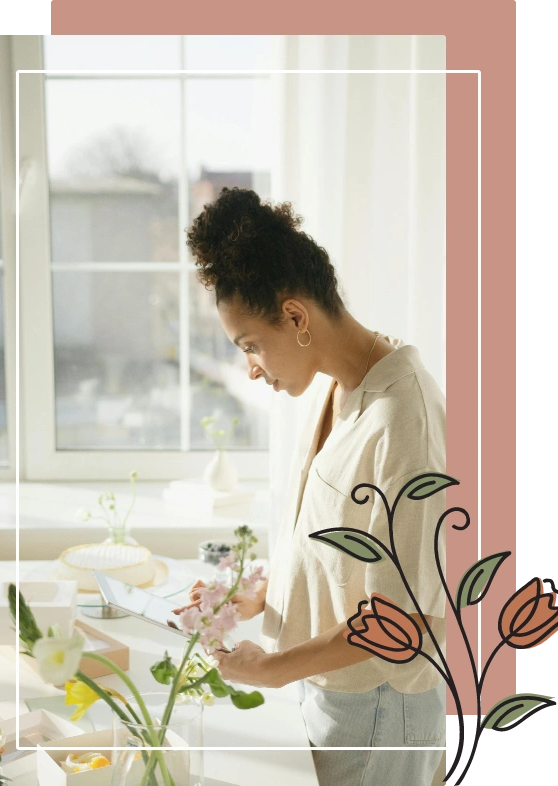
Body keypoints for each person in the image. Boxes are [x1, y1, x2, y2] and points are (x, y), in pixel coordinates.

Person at [175, 187, 447, 786]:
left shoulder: (404, 417)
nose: (251, 367)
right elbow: (340, 551)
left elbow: (404, 618)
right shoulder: (340, 388)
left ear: (295, 317)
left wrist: (271, 669)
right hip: (338, 696)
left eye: (250, 345)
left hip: (381, 709)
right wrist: (258, 595)